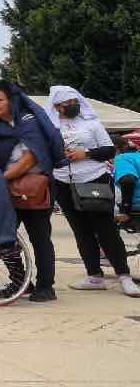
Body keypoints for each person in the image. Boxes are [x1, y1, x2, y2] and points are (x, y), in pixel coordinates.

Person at [0, 80, 65, 303]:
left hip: (32, 189)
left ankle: (46, 287)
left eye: (0, 100)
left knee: (39, 238)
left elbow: (29, 159)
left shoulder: (28, 121)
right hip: (7, 189)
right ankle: (19, 281)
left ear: (12, 101)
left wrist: (0, 178)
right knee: (2, 238)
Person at [45, 86, 138, 297]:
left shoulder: (91, 123)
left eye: (75, 102)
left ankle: (124, 276)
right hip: (63, 182)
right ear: (57, 106)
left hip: (94, 178)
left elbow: (108, 149)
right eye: (67, 103)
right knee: (81, 230)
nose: (73, 106)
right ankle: (94, 275)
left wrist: (84, 154)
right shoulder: (50, 127)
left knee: (105, 228)